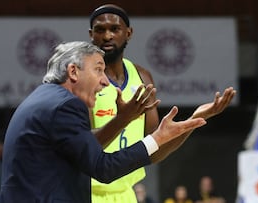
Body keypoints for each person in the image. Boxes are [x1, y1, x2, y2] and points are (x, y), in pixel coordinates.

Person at [0, 41, 208, 203]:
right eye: (98, 69)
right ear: (73, 72)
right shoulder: (66, 105)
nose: (104, 81)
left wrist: (121, 120)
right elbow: (102, 168)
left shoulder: (42, 99)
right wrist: (157, 138)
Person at [88, 4, 237, 203]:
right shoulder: (84, 80)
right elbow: (83, 146)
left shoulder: (143, 78)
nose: (107, 36)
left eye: (114, 29)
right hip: (86, 192)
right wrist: (122, 119)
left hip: (126, 195)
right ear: (91, 34)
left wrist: (197, 118)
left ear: (128, 33)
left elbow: (155, 149)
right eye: (100, 30)